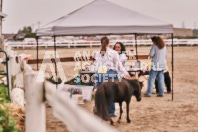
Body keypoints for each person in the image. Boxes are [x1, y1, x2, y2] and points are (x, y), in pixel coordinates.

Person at [94, 37, 130, 117]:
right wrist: (125, 73)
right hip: (110, 73)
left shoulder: (98, 52)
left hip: (99, 72)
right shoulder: (113, 52)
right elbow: (119, 64)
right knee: (111, 93)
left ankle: (98, 109)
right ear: (109, 43)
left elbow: (97, 64)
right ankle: (110, 112)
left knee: (99, 93)